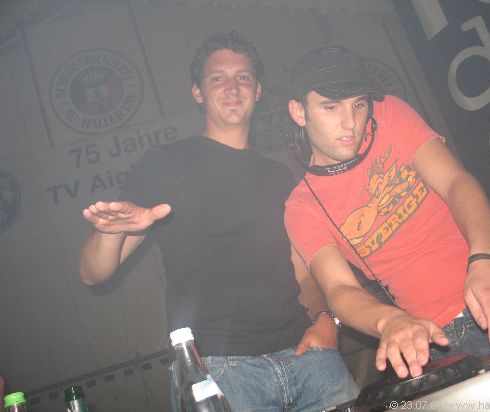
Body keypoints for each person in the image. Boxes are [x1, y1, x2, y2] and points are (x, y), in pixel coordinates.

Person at [79, 32, 358, 411]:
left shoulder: (279, 175)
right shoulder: (166, 163)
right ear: (198, 92)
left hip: (308, 358)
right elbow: (93, 274)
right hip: (221, 373)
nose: (232, 87)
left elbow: (302, 273)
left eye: (243, 77)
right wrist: (110, 231)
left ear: (257, 90)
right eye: (217, 78)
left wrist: (325, 319)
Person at [284, 44, 490, 379]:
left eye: (358, 104)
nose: (350, 123)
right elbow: (339, 289)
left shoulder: (389, 114)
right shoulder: (302, 207)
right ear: (299, 112)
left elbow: (455, 182)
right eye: (330, 107)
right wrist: (389, 320)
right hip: (448, 337)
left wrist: (486, 258)